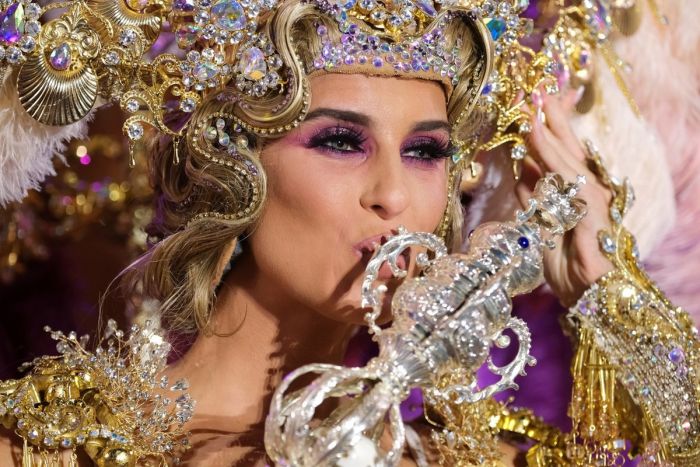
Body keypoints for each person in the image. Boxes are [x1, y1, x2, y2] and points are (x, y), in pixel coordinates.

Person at [0, 0, 697, 465]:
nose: (394, 195)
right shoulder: (51, 446)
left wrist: (608, 286)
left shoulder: (464, 453)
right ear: (233, 169)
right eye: (340, 142)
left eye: (425, 151)